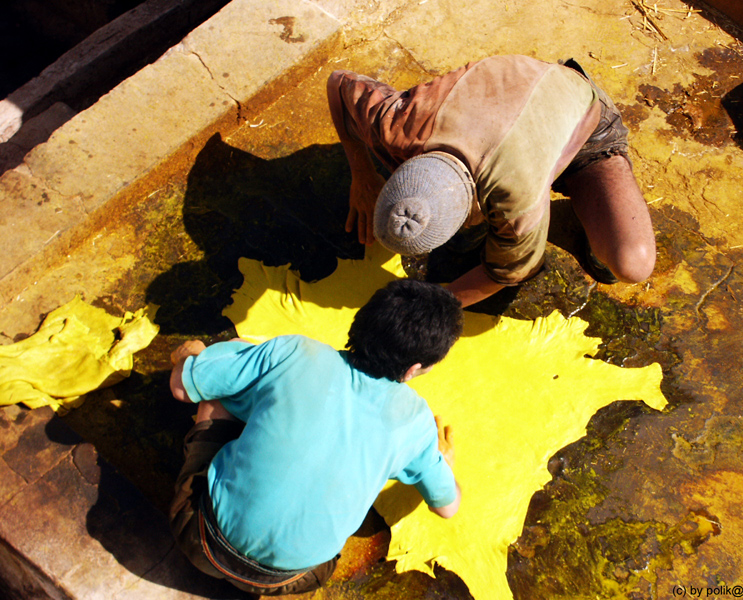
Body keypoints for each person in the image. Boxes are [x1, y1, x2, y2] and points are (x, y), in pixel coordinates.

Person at [168, 278, 463, 596]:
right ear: (414, 369)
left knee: (220, 393)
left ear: (360, 320)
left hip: (199, 539)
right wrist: (443, 463)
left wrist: (190, 356)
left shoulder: (295, 352)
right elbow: (448, 507)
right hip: (289, 579)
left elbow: (180, 388)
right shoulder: (415, 423)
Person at [327, 54, 657, 307]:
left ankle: (588, 217)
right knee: (462, 244)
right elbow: (338, 83)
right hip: (511, 103)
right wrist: (363, 175)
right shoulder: (396, 123)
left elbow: (508, 273)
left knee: (628, 263)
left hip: (577, 114)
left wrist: (433, 304)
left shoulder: (518, 199)